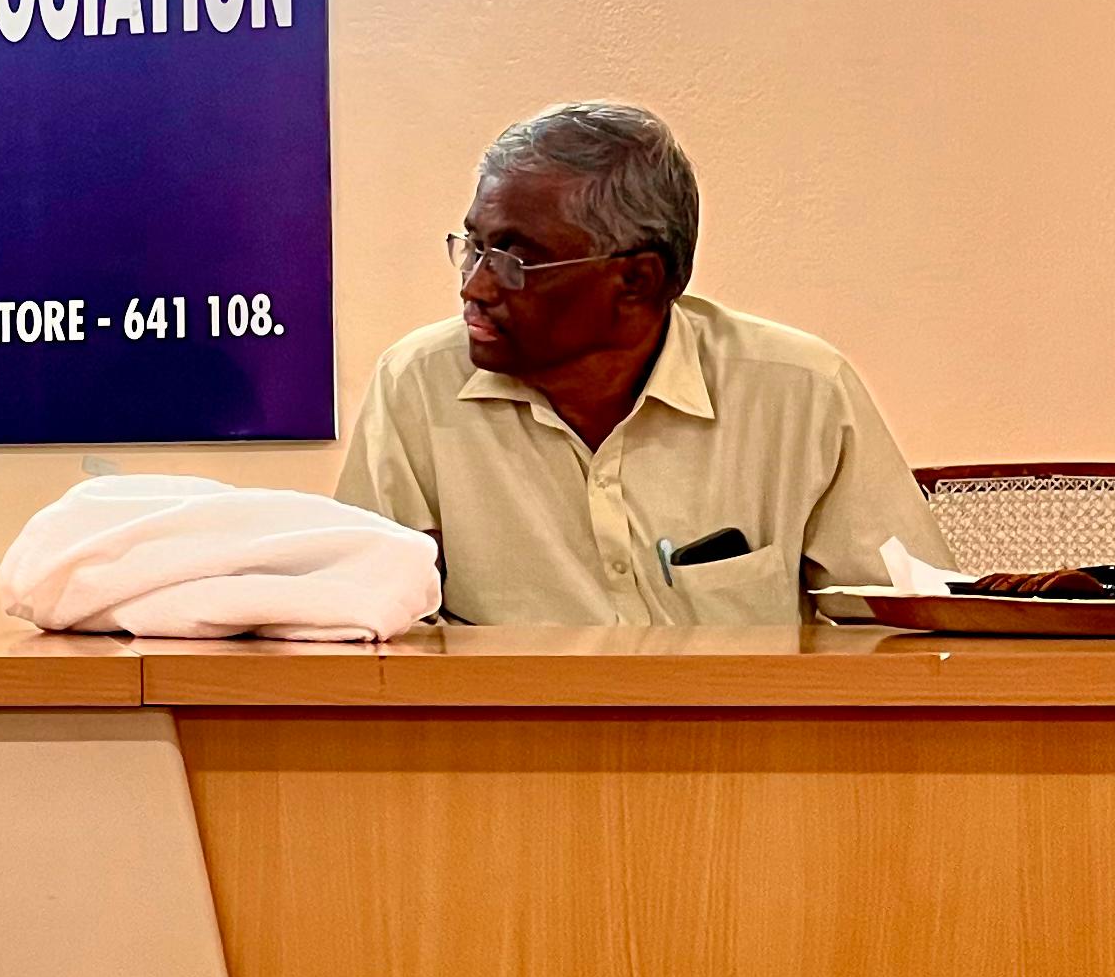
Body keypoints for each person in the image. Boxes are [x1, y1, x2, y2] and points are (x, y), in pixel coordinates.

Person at [336, 101, 943, 625]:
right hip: (512, 729)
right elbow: (359, 627)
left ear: (636, 280)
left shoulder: (798, 394)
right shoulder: (417, 386)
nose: (475, 286)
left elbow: (913, 631)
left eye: (515, 261)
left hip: (736, 728)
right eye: (473, 247)